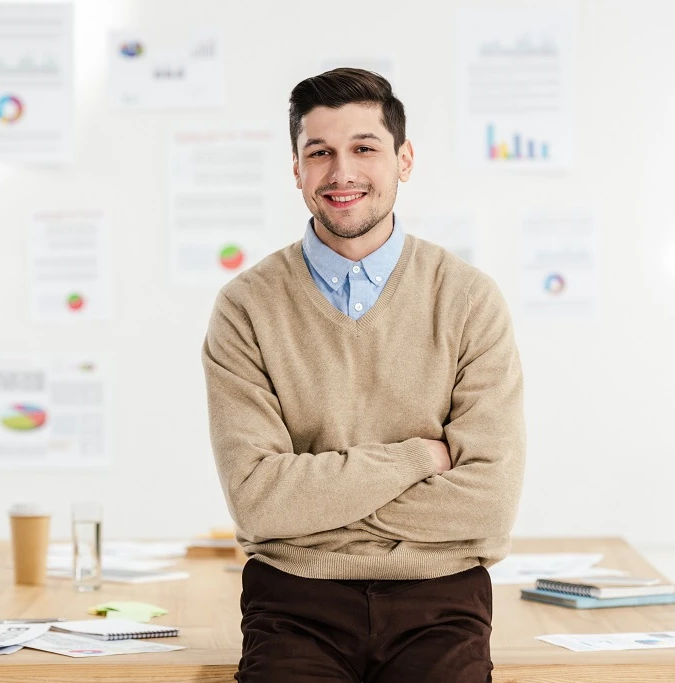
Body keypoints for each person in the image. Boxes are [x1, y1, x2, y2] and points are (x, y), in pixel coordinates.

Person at [201, 68, 525, 683]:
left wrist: (318, 506)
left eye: (364, 148)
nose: (341, 172)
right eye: (319, 152)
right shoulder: (246, 308)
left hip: (441, 601)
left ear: (404, 159)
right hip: (295, 602)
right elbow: (257, 501)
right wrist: (416, 460)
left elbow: (489, 506)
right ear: (295, 169)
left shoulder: (468, 300)